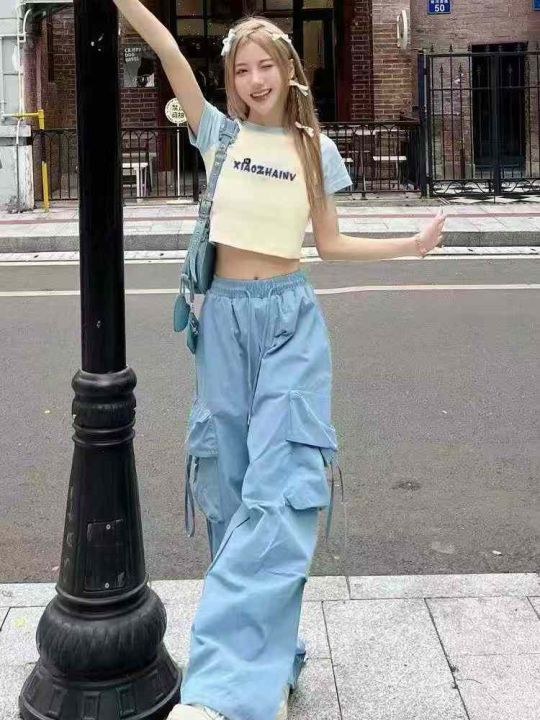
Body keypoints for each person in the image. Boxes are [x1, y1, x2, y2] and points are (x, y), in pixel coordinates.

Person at [112, 5, 445, 720]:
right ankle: (272, 660)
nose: (255, 78)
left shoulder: (313, 148)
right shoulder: (219, 135)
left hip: (290, 321)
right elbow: (168, 49)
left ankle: (219, 688)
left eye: (267, 65)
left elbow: (329, 244)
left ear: (289, 70)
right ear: (231, 80)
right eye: (242, 69)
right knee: (230, 491)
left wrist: (411, 246)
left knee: (283, 490)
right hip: (225, 323)